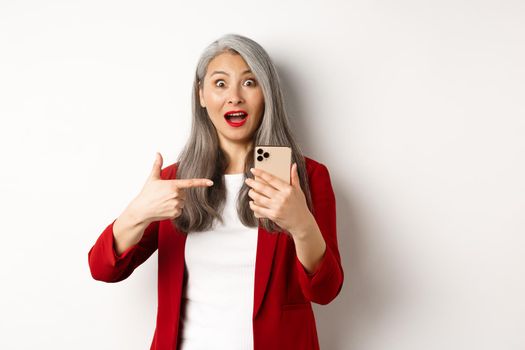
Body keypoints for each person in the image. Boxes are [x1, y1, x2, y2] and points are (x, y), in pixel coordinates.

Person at [88, 33, 344, 350]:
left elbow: (325, 291)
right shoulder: (174, 182)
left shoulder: (305, 177)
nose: (234, 96)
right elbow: (103, 270)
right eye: (220, 84)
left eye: (249, 83)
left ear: (267, 93)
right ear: (201, 94)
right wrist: (137, 214)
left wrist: (301, 225)